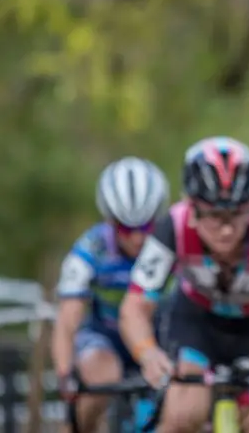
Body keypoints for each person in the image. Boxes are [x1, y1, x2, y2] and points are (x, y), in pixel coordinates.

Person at [119, 136, 249, 433]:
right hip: (197, 323)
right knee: (182, 411)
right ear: (192, 209)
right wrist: (147, 353)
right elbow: (135, 306)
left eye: (238, 214)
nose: (227, 229)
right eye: (215, 216)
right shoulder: (172, 227)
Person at [52, 157, 170, 433]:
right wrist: (65, 373)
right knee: (101, 375)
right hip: (105, 337)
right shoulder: (91, 248)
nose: (138, 238)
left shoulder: (171, 242)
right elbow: (67, 318)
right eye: (127, 228)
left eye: (146, 227)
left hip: (159, 336)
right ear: (110, 220)